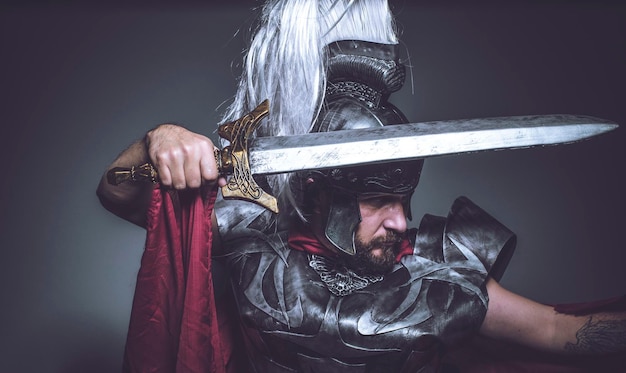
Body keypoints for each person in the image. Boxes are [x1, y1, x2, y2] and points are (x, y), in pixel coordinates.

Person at [97, 1, 626, 372]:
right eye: (378, 201)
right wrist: (159, 140)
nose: (399, 221)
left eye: (403, 201)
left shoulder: (439, 278)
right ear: (320, 195)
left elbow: (560, 333)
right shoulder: (248, 240)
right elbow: (118, 191)